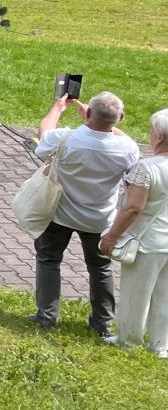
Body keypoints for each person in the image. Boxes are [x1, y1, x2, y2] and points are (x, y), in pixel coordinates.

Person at [31, 91, 138, 335]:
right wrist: (104, 122)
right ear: (120, 117)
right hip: (100, 219)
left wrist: (58, 108)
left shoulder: (66, 138)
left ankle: (47, 315)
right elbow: (125, 144)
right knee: (100, 269)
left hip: (60, 213)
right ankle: (102, 323)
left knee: (49, 259)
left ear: (88, 113)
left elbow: (43, 133)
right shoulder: (127, 148)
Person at [100, 107, 168, 355]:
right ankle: (161, 345)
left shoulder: (146, 168)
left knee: (136, 292)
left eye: (151, 130)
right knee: (165, 295)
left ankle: (128, 340)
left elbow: (132, 208)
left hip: (147, 242)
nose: (149, 133)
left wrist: (112, 235)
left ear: (159, 137)